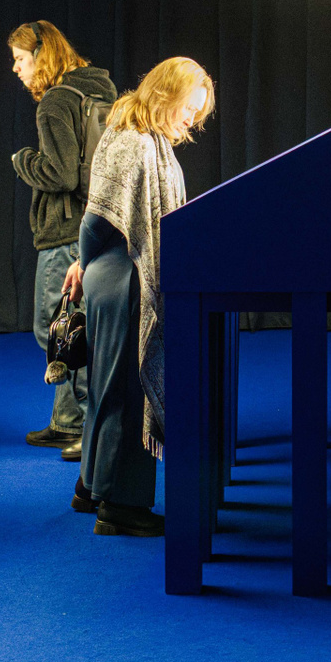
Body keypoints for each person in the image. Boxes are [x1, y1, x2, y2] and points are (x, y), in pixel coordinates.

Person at [61, 57, 214, 536]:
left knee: (108, 388)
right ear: (165, 94)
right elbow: (97, 217)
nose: (192, 119)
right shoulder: (136, 143)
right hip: (126, 280)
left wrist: (86, 264)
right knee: (128, 393)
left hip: (118, 275)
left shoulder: (144, 138)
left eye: (198, 111)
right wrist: (83, 262)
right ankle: (121, 506)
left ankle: (91, 487)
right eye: (189, 107)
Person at [8, 20, 118, 464]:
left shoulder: (55, 101)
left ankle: (89, 429)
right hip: (96, 223)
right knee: (77, 323)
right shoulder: (100, 90)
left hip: (65, 232)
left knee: (57, 330)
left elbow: (61, 174)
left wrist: (23, 160)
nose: (16, 68)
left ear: (42, 55)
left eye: (20, 59)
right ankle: (69, 422)